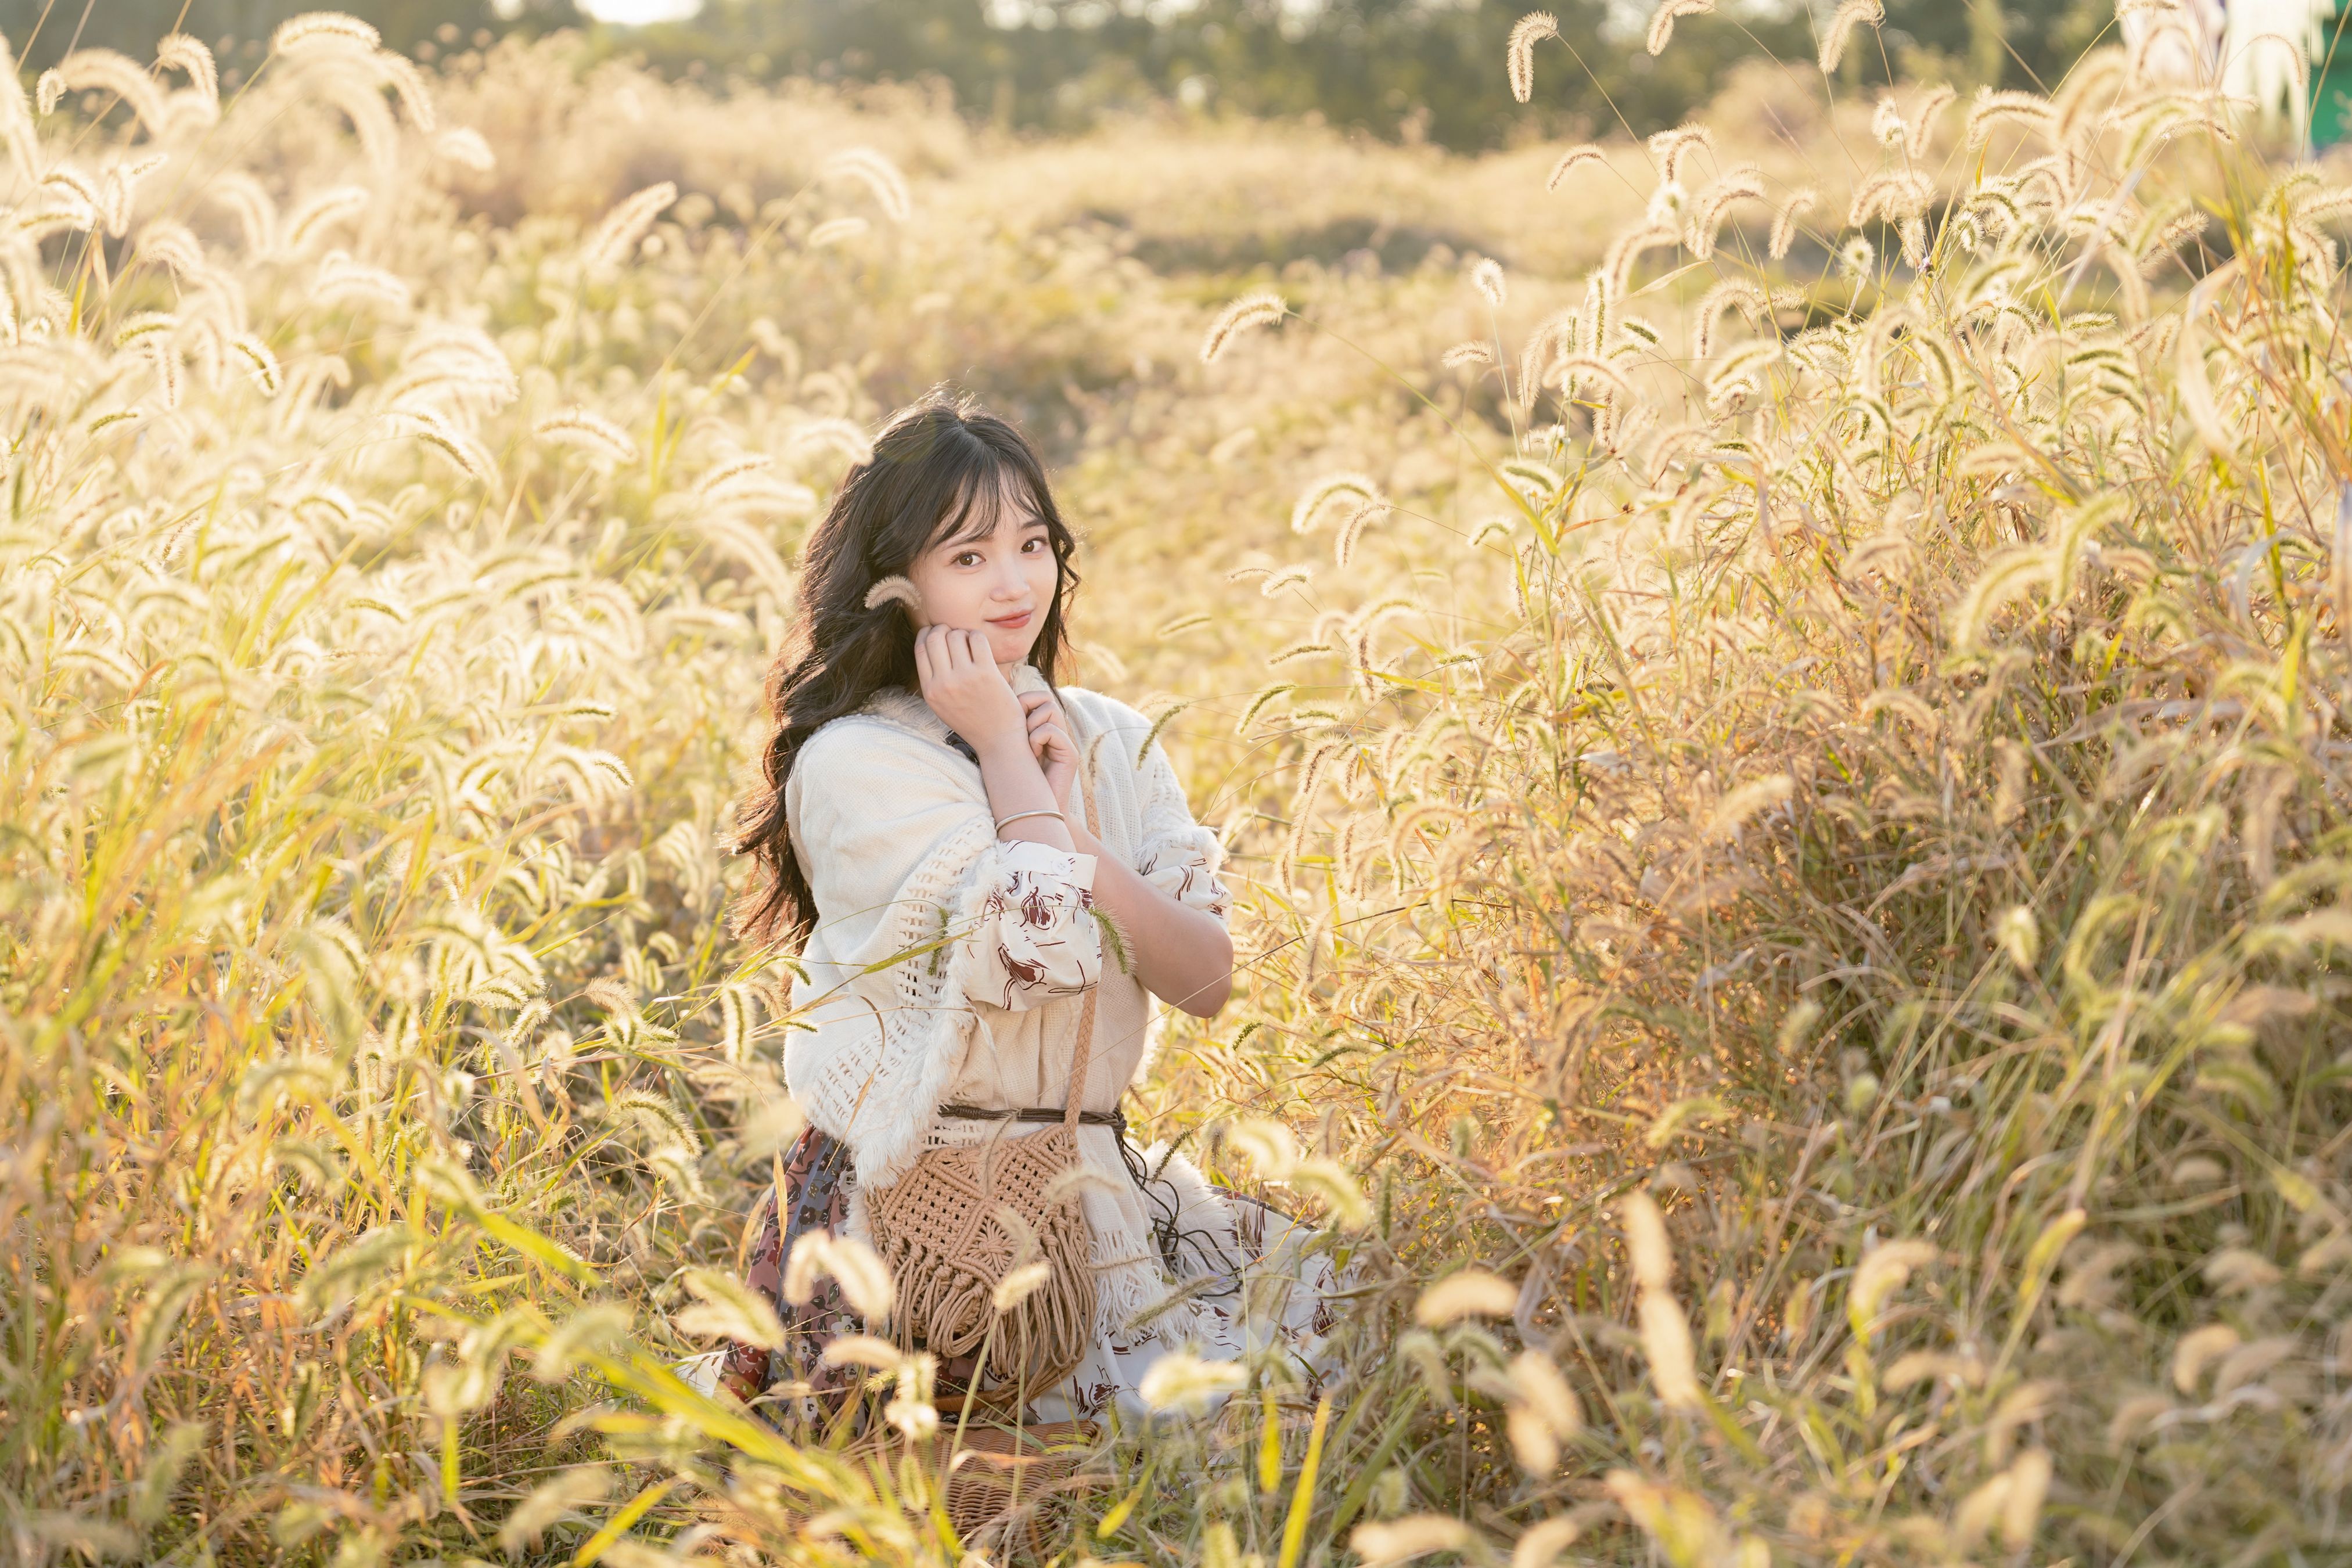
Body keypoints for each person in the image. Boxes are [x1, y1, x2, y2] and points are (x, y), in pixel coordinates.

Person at [714, 389, 1337, 1427]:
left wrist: (1065, 820)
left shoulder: (1111, 735)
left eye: (1033, 545)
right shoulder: (856, 761)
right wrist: (1005, 753)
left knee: (1350, 1340)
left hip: (1089, 1188)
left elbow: (1208, 979)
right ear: (892, 587)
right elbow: (1038, 954)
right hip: (922, 1216)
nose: (1014, 584)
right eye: (967, 558)